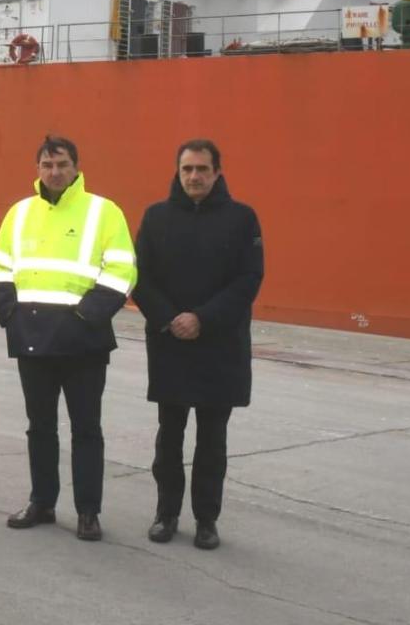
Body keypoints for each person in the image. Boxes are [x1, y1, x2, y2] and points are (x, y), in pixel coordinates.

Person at [0, 135, 136, 542]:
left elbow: (122, 270)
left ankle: (88, 511)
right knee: (40, 427)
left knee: (87, 429)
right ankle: (43, 502)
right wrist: (10, 316)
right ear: (37, 169)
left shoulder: (104, 212)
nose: (55, 172)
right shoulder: (18, 214)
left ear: (76, 168)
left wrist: (85, 317)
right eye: (47, 165)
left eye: (62, 164)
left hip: (84, 344)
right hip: (32, 340)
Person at [132, 139, 263, 550]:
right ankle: (166, 514)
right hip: (171, 343)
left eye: (202, 169)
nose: (194, 176)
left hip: (219, 347)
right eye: (187, 169)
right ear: (177, 171)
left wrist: (202, 318)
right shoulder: (156, 218)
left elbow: (248, 280)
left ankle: (207, 520)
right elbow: (141, 277)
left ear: (217, 173)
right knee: (168, 437)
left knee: (212, 440)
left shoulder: (242, 219)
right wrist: (171, 319)